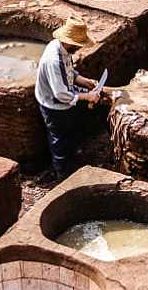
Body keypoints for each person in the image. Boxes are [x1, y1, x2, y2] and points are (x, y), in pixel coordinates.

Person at [35, 17, 102, 179]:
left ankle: (71, 160)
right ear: (70, 42)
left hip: (63, 100)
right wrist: (87, 96)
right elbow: (61, 94)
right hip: (53, 104)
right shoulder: (54, 59)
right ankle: (62, 174)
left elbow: (69, 71)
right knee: (59, 140)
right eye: (78, 45)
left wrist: (84, 81)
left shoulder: (61, 48)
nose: (79, 48)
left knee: (69, 132)